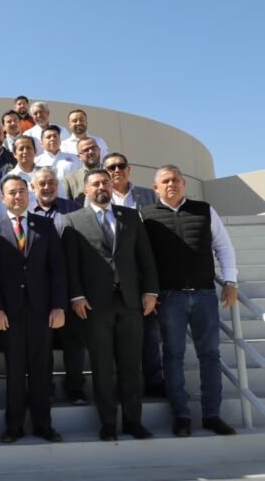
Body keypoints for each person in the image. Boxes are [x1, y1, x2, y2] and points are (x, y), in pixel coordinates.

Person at [141, 165, 238, 438]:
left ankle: (211, 415)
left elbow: (223, 247)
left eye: (175, 180)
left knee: (210, 356)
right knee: (173, 357)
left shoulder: (205, 210)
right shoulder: (146, 216)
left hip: (205, 295)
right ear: (155, 187)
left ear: (184, 183)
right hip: (170, 298)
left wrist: (230, 282)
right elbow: (144, 260)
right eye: (165, 181)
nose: (171, 184)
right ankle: (181, 416)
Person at [62, 169, 159, 441]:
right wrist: (76, 296)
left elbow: (146, 258)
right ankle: (107, 423)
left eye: (105, 182)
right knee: (102, 367)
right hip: (94, 306)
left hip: (130, 302)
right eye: (95, 183)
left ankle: (132, 422)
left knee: (131, 365)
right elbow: (71, 265)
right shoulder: (72, 220)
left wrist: (151, 290)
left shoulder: (130, 216)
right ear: (85, 190)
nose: (102, 186)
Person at [0, 175, 66, 444]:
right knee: (15, 370)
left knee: (42, 369)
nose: (17, 196)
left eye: (21, 191)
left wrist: (58, 306)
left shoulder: (45, 225)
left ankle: (43, 425)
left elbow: (58, 269)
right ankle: (14, 425)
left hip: (42, 310)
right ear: (2, 198)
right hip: (9, 312)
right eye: (11, 193)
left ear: (28, 195)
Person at [102, 152, 163, 397]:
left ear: (129, 169)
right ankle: (126, 385)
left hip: (143, 276)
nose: (116, 170)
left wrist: (152, 287)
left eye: (120, 166)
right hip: (114, 282)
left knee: (149, 333)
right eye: (110, 168)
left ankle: (154, 381)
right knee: (119, 338)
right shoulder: (99, 197)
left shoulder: (148, 197)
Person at [29, 168, 86, 405]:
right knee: (42, 343)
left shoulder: (73, 209)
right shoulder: (26, 212)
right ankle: (45, 387)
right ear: (33, 187)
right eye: (41, 183)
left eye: (51, 182)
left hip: (70, 286)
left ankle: (75, 388)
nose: (47, 187)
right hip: (39, 290)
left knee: (73, 340)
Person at [34, 125, 81, 197]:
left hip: (71, 201)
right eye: (48, 137)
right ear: (41, 143)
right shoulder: (36, 161)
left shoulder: (74, 159)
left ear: (60, 140)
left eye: (55, 136)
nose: (52, 139)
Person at [63, 137, 101, 203]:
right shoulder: (71, 180)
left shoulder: (111, 173)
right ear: (79, 157)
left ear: (99, 150)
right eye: (86, 150)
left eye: (93, 148)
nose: (91, 152)